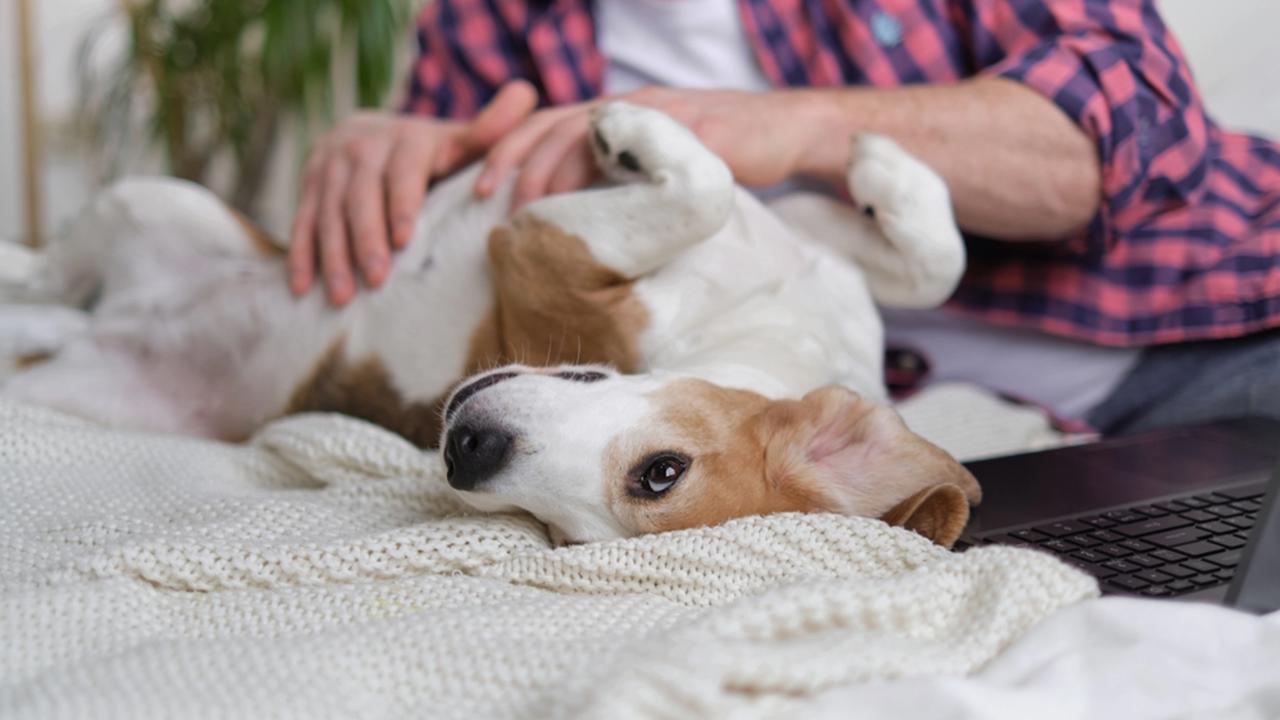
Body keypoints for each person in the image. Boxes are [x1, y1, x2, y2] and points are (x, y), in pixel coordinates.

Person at [286, 0, 1280, 436]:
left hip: (1221, 335)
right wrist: (397, 163)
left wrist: (800, 125)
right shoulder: (486, 19)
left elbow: (1128, 125)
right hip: (953, 448)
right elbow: (443, 293)